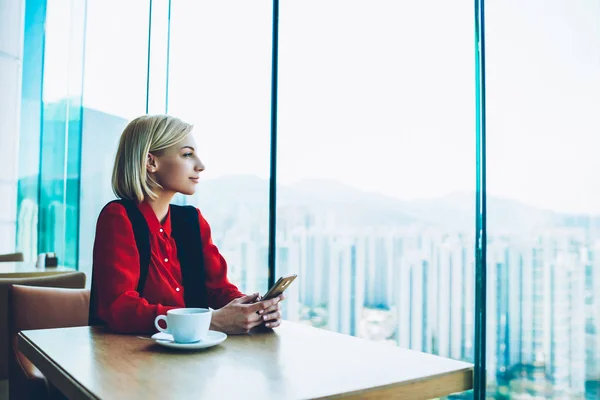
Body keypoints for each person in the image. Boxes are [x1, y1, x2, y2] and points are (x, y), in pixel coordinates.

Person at [89, 115, 283, 334]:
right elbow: (119, 307)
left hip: (190, 354)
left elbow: (219, 289)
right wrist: (210, 321)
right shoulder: (118, 217)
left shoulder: (192, 221)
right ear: (151, 162)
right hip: (131, 357)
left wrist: (250, 309)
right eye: (187, 154)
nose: (200, 166)